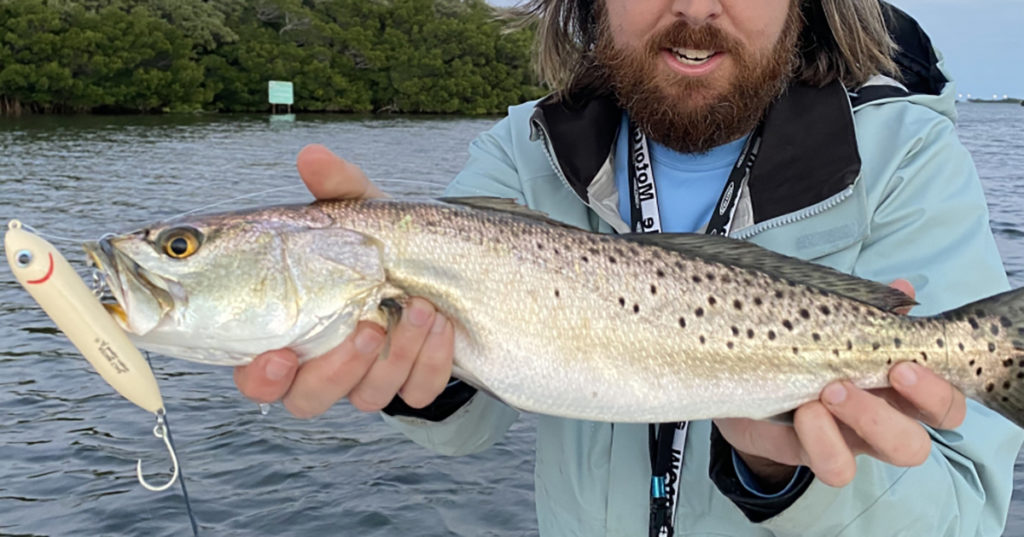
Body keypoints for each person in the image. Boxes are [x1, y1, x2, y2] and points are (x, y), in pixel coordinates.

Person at [235, 0, 1024, 534]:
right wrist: (406, 343)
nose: (697, 7)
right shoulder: (521, 149)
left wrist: (781, 472)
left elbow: (962, 517)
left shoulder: (909, 158)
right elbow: (471, 424)